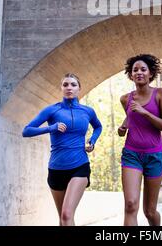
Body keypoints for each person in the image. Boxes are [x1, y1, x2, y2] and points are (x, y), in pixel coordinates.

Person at [22, 73, 102, 226]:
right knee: (63, 219)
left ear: (79, 88)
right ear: (61, 88)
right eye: (65, 85)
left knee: (66, 215)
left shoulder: (88, 111)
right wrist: (51, 128)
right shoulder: (52, 110)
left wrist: (92, 140)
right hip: (56, 169)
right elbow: (26, 130)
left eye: (73, 84)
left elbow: (98, 126)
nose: (69, 88)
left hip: (80, 166)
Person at [118, 54, 162, 226]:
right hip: (131, 154)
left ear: (150, 74)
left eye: (143, 69)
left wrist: (145, 112)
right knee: (130, 205)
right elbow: (130, 118)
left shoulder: (160, 94)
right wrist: (123, 127)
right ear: (130, 75)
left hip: (154, 156)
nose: (139, 72)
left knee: (149, 211)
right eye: (135, 70)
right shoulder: (126, 99)